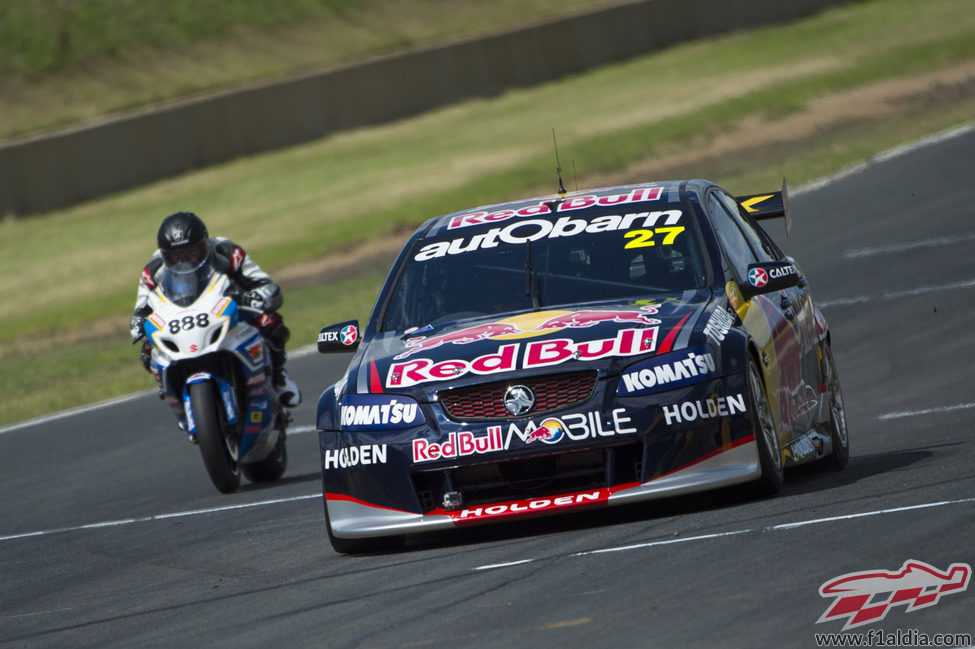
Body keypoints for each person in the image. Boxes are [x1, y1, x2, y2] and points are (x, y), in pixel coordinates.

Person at [129, 211, 301, 408]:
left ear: (205, 244)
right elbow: (141, 310)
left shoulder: (227, 252)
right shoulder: (153, 270)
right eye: (177, 256)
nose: (185, 261)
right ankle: (174, 395)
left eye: (191, 253)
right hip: (180, 319)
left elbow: (268, 288)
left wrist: (251, 297)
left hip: (228, 312)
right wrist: (139, 323)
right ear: (166, 255)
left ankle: (279, 377)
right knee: (148, 351)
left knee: (270, 322)